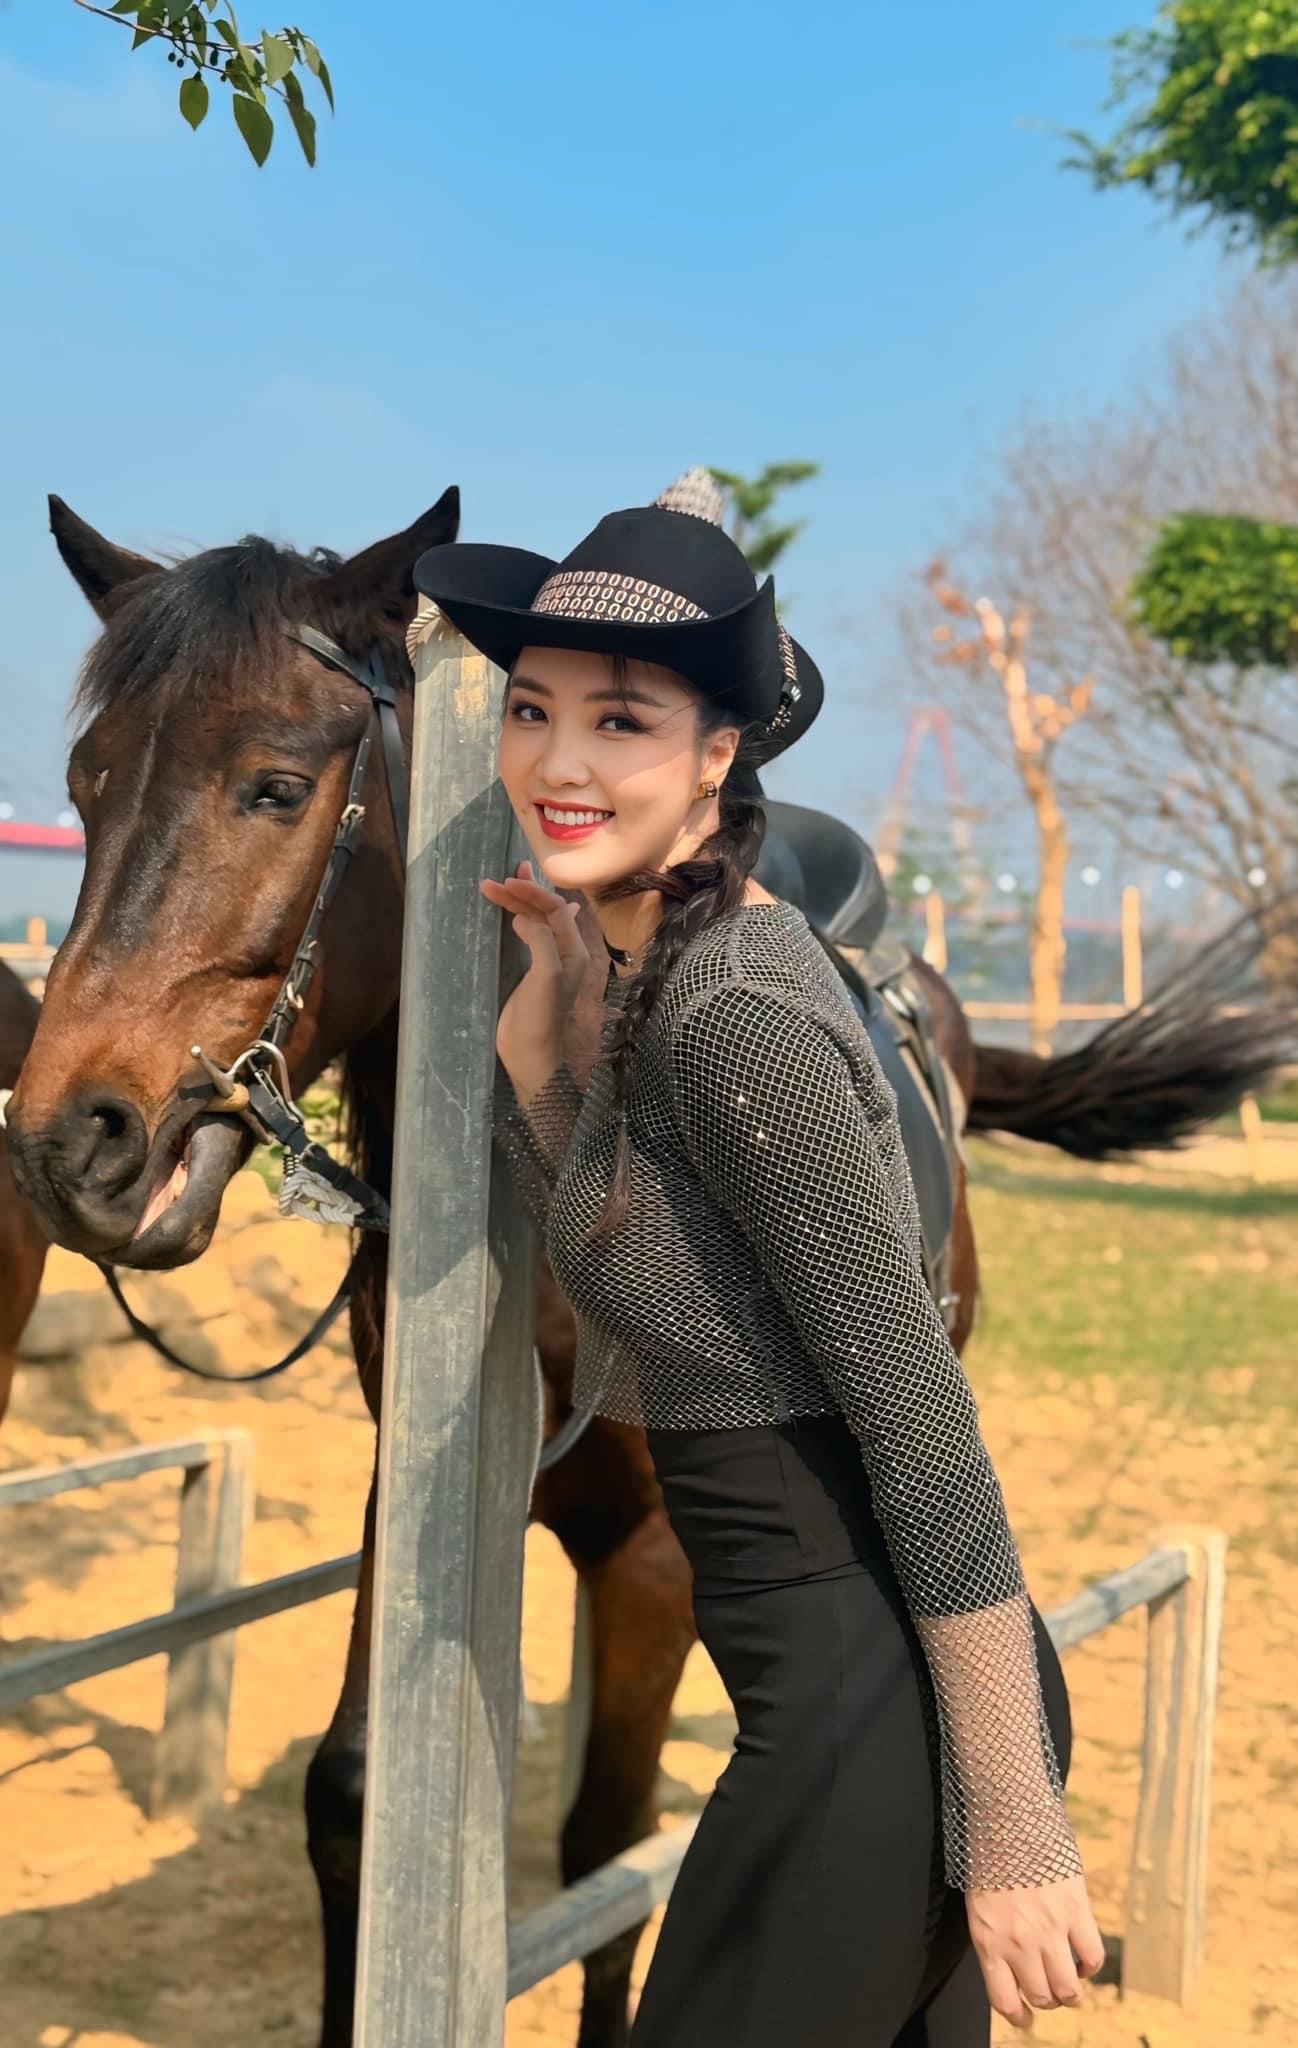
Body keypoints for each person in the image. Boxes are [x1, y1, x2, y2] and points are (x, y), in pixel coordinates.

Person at [413, 471, 1104, 2046]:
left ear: (717, 754)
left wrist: (1010, 1823)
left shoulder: (732, 1009)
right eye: (530, 710)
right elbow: (663, 1279)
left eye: (621, 720)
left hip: (876, 1720)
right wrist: (539, 1048)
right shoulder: (665, 977)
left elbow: (922, 1422)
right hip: (843, 1706)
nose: (559, 761)